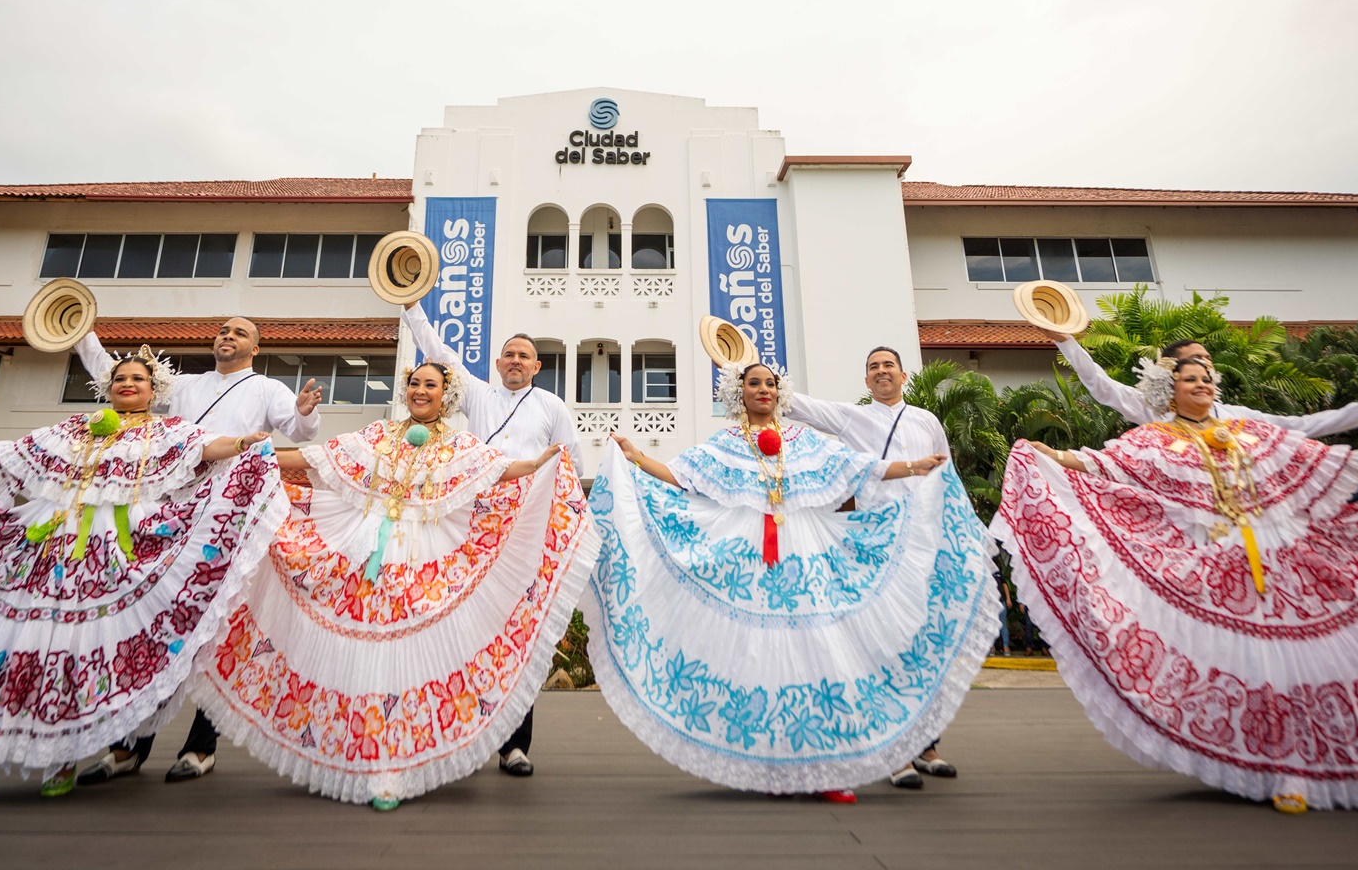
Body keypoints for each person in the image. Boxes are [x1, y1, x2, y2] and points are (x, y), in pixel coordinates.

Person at [992, 354, 1358, 812]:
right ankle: (1275, 768)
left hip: (1284, 562)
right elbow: (1106, 464)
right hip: (1218, 571)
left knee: (1306, 664)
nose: (1203, 384)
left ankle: (1307, 765)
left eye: (1207, 378)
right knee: (1256, 671)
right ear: (1166, 390)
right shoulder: (1153, 440)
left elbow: (1318, 453)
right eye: (1191, 379)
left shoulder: (1251, 433)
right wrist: (1054, 457)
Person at [0, 348, 285, 810]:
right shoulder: (76, 428)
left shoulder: (169, 431)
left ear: (154, 391)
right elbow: (16, 453)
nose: (128, 384)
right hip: (49, 548)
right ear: (108, 387)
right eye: (120, 378)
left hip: (113, 557)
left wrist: (241, 444)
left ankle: (62, 760)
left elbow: (205, 447)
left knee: (72, 657)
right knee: (16, 647)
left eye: (138, 378)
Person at [193, 361, 596, 811]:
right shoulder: (377, 435)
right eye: (415, 383)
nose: (421, 391)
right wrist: (262, 454)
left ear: (447, 395)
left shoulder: (461, 445)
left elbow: (499, 471)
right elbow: (318, 460)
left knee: (406, 664)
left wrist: (539, 464)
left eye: (431, 385)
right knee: (368, 660)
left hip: (425, 564)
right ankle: (368, 760)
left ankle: (395, 767)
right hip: (365, 560)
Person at [592, 362, 999, 804]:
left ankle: (826, 770)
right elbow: (680, 475)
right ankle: (772, 769)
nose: (763, 390)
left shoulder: (803, 440)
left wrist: (912, 466)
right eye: (754, 384)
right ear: (739, 393)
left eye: (770, 384)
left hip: (804, 558)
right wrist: (636, 458)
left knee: (820, 655)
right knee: (760, 660)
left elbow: (858, 467)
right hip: (749, 564)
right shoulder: (725, 443)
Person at [74, 317, 322, 786]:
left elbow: (301, 430)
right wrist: (81, 333)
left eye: (239, 332)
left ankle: (200, 748)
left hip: (230, 515)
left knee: (216, 631)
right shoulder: (183, 385)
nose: (227, 336)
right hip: (169, 513)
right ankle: (127, 748)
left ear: (255, 346)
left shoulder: (267, 388)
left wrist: (306, 412)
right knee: (153, 627)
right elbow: (114, 375)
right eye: (223, 330)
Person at [401, 300, 582, 778]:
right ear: (498, 364)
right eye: (509, 355)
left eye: (525, 356)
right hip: (478, 525)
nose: (516, 361)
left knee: (518, 633)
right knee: (469, 627)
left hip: (528, 528)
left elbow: (573, 470)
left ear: (537, 367)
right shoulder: (478, 395)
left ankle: (514, 746)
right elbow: (436, 350)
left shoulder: (552, 407)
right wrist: (411, 304)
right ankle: (462, 734)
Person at [785, 345, 962, 788]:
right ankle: (891, 754)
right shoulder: (852, 417)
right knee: (883, 642)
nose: (881, 372)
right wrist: (742, 364)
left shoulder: (927, 421)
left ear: (904, 376)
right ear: (866, 381)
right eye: (873, 368)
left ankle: (927, 747)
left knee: (924, 645)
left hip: (925, 541)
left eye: (888, 366)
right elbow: (797, 404)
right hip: (875, 545)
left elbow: (948, 477)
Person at [1047, 332, 1358, 436]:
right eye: (1195, 361)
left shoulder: (1236, 417)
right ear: (1170, 373)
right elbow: (1101, 385)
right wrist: (1065, 340)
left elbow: (1303, 427)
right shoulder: (1152, 412)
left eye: (1208, 362)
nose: (1207, 366)